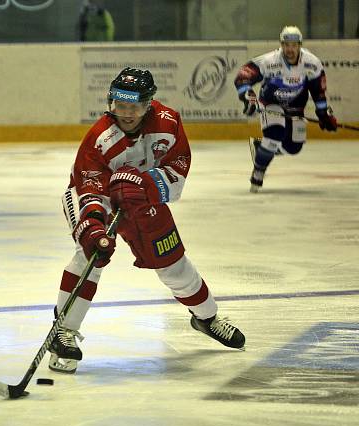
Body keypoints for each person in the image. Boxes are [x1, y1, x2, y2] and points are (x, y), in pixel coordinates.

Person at [48, 67, 245, 374]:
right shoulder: (100, 137)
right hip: (97, 197)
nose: (126, 113)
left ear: (149, 104)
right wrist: (95, 227)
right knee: (91, 254)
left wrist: (144, 185)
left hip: (142, 200)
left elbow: (178, 171)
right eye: (120, 105)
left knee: (172, 263)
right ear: (111, 102)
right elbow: (88, 188)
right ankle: (63, 332)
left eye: (135, 107)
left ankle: (207, 318)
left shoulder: (168, 123)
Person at [234, 25, 338, 193]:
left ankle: (262, 148)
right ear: (281, 45)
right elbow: (243, 76)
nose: (290, 49)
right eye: (286, 45)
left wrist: (323, 114)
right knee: (274, 136)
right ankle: (259, 171)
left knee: (294, 147)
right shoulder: (270, 61)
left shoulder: (312, 64)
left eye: (294, 45)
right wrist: (249, 97)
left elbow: (318, 91)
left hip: (296, 108)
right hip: (271, 105)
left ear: (300, 45)